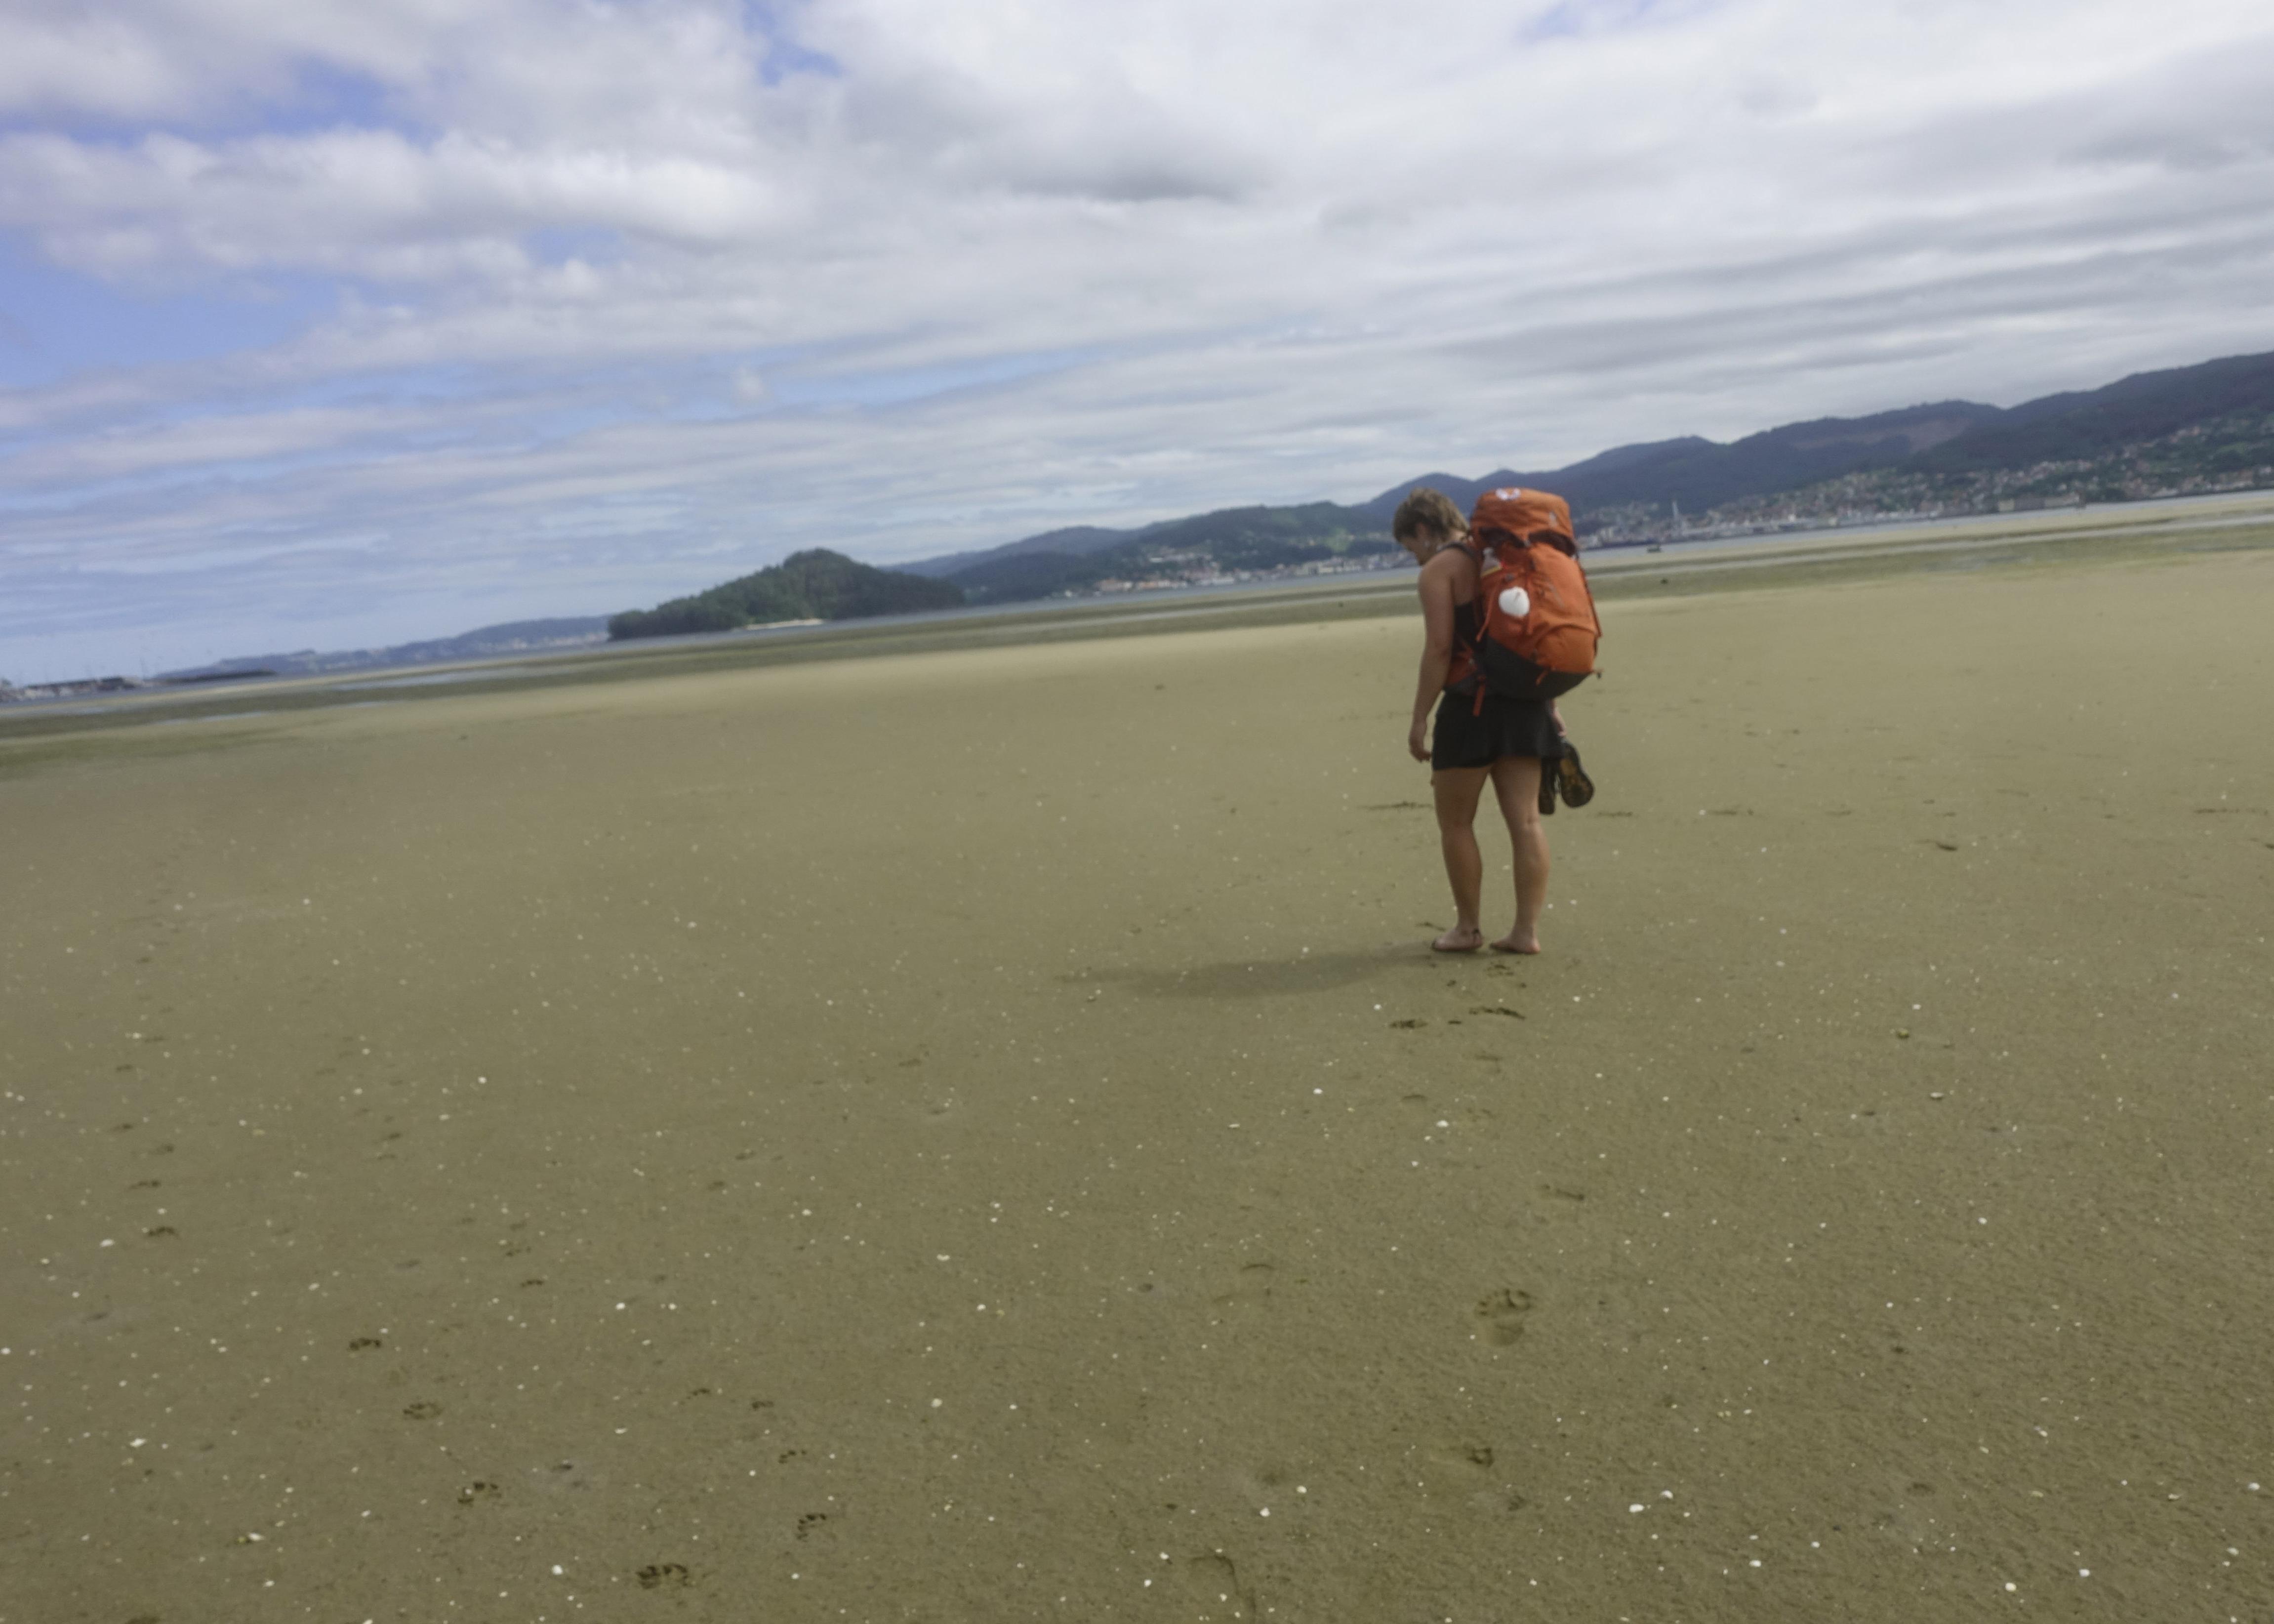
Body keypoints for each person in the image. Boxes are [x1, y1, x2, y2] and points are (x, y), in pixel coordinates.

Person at [1393, 487, 1573, 954]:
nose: (1412, 556)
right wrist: (1550, 703)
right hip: (1525, 703)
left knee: (1456, 823)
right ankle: (1526, 934)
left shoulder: (1439, 571)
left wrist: (1418, 718)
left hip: (1469, 708)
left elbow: (1439, 649)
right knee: (1527, 822)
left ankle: (1468, 929)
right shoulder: (1510, 558)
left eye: (1408, 545)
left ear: (1423, 530)